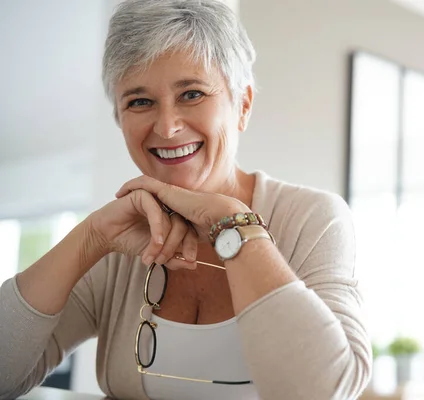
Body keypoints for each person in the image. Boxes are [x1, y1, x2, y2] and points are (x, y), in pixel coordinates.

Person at [0, 0, 371, 399]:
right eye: (139, 101)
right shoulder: (119, 240)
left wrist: (236, 227)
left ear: (242, 105)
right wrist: (88, 239)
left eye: (191, 93)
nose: (167, 126)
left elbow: (325, 391)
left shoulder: (313, 219)